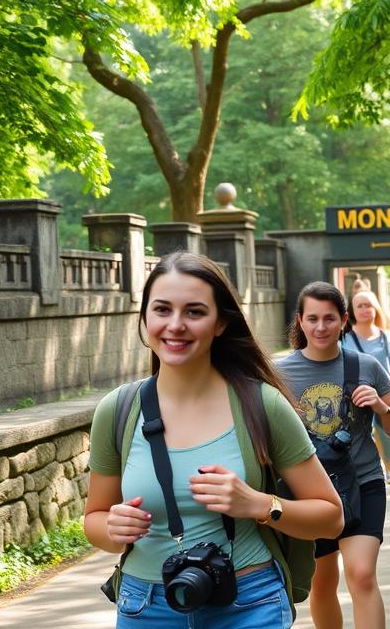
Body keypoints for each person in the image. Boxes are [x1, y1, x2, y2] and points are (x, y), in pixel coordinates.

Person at [84, 252, 344, 628]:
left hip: (249, 602)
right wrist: (111, 528)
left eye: (194, 312)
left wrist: (258, 504)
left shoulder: (262, 405)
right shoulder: (118, 410)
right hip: (146, 606)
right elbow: (94, 519)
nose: (175, 325)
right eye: (161, 310)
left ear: (221, 322)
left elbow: (331, 517)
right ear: (144, 319)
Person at [277, 281, 390, 629]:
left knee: (362, 574)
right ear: (301, 322)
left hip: (363, 481)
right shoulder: (278, 374)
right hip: (312, 492)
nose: (321, 327)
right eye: (313, 318)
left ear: (344, 320)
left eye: (330, 319)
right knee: (322, 582)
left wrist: (381, 407)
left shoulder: (366, 366)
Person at [344, 290, 390, 484]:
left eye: (368, 305)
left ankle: (389, 464)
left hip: (383, 394)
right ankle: (368, 468)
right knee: (362, 433)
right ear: (352, 311)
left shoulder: (387, 336)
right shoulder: (344, 337)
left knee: (387, 434)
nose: (364, 309)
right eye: (359, 306)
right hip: (353, 397)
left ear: (376, 308)